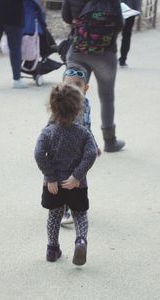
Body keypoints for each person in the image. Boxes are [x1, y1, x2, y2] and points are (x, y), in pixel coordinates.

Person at [34, 83, 98, 265]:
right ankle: (81, 241)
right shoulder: (83, 133)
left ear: (52, 108)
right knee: (79, 214)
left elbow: (39, 153)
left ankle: (52, 249)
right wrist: (77, 176)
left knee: (54, 215)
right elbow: (91, 153)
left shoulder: (48, 132)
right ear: (79, 109)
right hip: (76, 184)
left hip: (54, 185)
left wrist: (50, 176)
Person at [62, 0, 126, 153]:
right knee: (107, 97)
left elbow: (66, 17)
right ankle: (110, 141)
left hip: (78, 49)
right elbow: (120, 24)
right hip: (105, 53)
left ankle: (68, 140)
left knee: (71, 95)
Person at [61, 64, 101, 225]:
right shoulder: (60, 105)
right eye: (68, 84)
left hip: (80, 151)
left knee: (79, 178)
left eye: (78, 84)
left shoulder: (86, 104)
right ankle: (64, 211)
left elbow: (87, 126)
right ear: (62, 86)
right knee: (64, 178)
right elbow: (49, 127)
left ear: (86, 88)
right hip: (63, 150)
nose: (73, 88)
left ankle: (76, 206)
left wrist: (94, 144)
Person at [119, 0, 141, 67]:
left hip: (115, 7)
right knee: (126, 34)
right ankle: (123, 59)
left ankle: (109, 58)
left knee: (111, 33)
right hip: (130, 8)